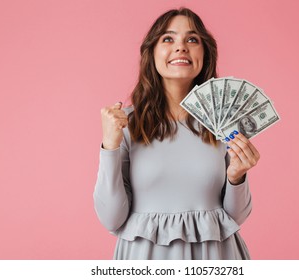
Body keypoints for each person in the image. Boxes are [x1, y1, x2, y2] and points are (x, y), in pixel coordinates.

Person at [93, 7, 260, 260]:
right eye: (168, 38)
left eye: (192, 39)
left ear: (205, 53)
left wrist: (237, 177)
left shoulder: (223, 123)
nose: (181, 47)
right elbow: (111, 218)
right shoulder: (125, 125)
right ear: (152, 52)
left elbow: (236, 218)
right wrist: (109, 147)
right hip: (144, 260)